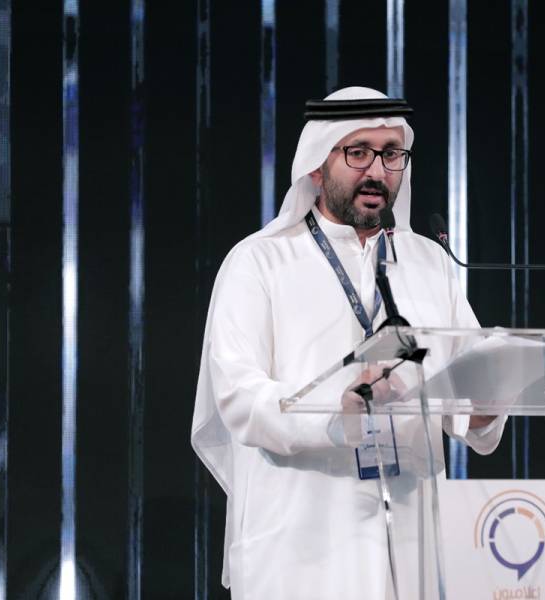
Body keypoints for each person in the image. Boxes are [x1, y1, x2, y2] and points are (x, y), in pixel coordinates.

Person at [191, 86, 505, 599]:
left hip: (411, 542)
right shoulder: (260, 261)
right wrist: (337, 412)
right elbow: (238, 397)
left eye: (391, 154)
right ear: (317, 165)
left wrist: (490, 404)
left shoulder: (428, 263)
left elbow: (467, 391)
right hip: (301, 543)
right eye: (358, 152)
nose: (377, 170)